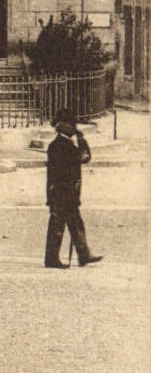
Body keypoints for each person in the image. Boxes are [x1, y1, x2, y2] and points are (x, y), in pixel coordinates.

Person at [45, 108, 103, 268]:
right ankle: (51, 259)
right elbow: (73, 164)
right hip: (60, 194)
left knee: (76, 224)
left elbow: (86, 158)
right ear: (62, 126)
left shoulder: (69, 144)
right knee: (57, 226)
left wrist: (81, 139)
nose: (74, 128)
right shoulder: (57, 146)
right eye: (72, 125)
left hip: (69, 194)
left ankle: (83, 255)